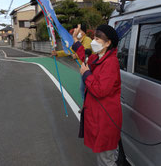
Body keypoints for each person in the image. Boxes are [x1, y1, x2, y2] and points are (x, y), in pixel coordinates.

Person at [72, 24, 122, 166]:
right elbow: (84, 55)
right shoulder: (100, 56)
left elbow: (101, 90)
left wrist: (86, 74)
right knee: (107, 154)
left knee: (106, 159)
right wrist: (75, 39)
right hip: (99, 116)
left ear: (108, 43)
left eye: (98, 39)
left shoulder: (111, 62)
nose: (94, 41)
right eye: (94, 37)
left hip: (106, 119)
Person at [52, 24, 92, 103]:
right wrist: (57, 53)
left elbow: (85, 52)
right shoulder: (77, 42)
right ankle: (86, 106)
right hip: (83, 69)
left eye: (78, 31)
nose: (76, 32)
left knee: (83, 89)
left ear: (83, 32)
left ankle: (86, 107)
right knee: (84, 89)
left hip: (89, 68)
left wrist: (76, 55)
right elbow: (69, 51)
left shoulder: (87, 40)